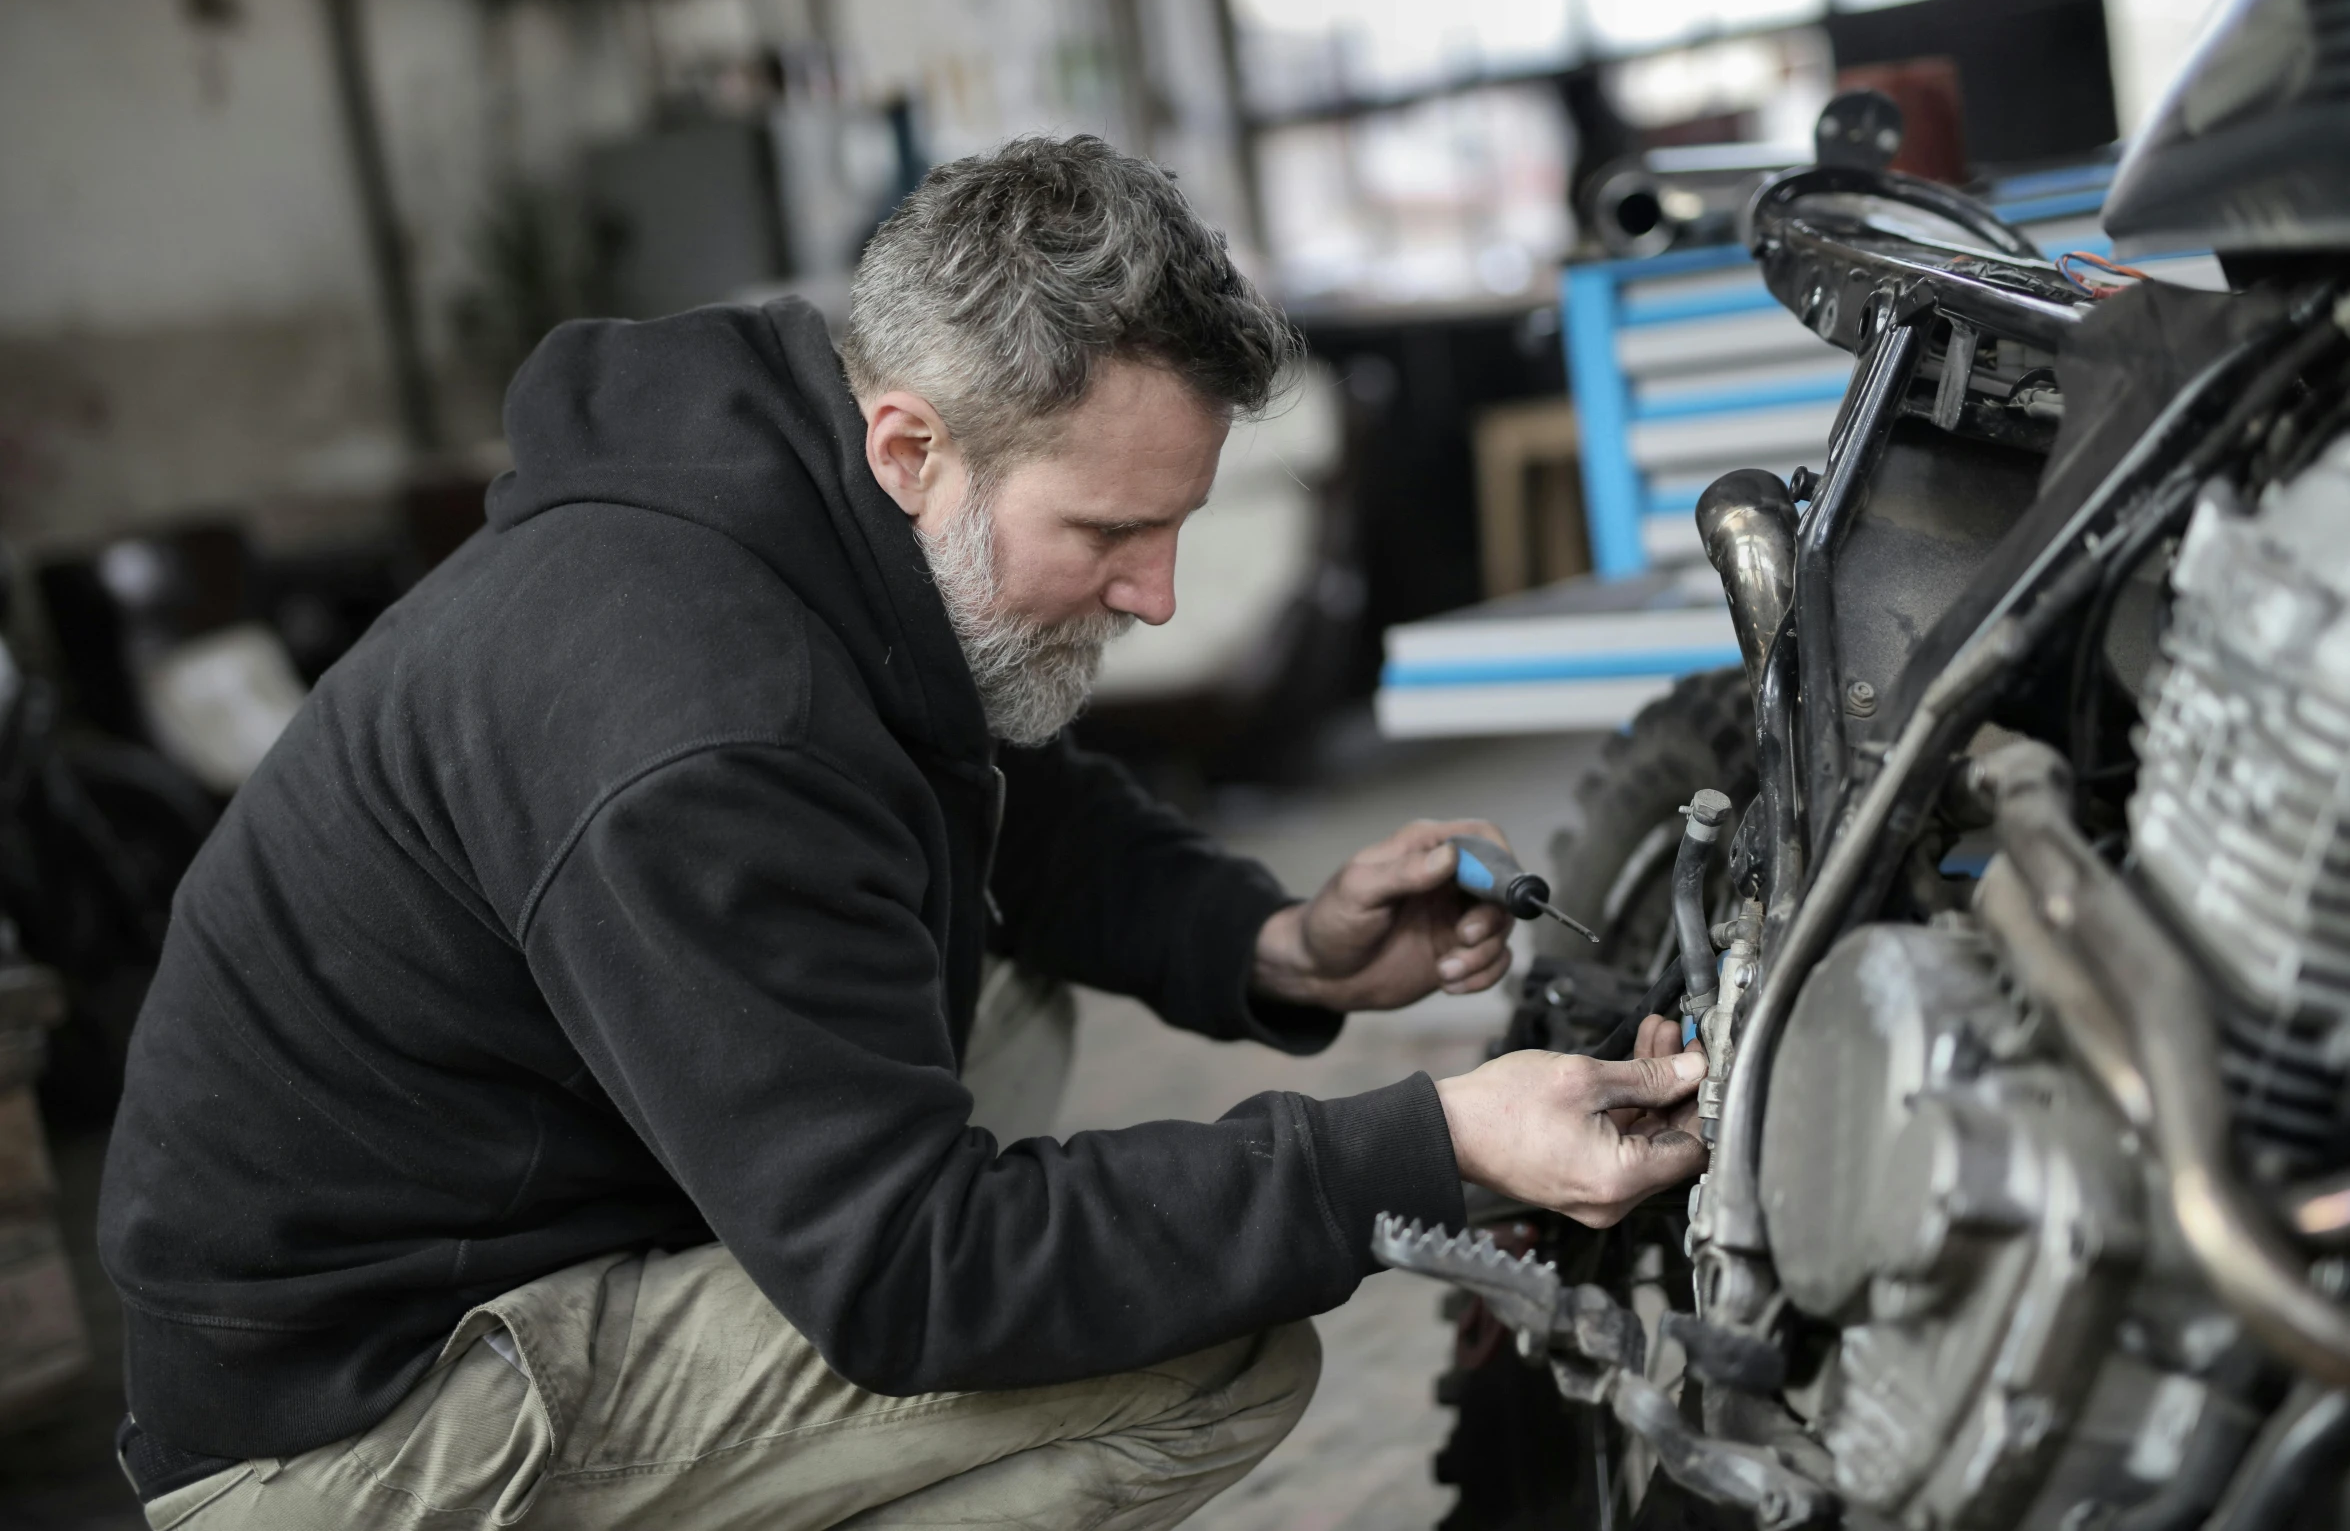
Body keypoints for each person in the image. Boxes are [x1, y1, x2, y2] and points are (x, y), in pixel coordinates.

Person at [100, 136, 1707, 1531]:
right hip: (361, 1421)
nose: (1154, 595)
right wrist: (1430, 1143)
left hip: (511, 1231)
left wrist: (1274, 944)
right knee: (1203, 1352)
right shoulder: (700, 722)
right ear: (910, 447)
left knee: (1011, 984)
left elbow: (1003, 802)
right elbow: (915, 1270)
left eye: (1177, 528)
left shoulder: (795, 509)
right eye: (1112, 531)